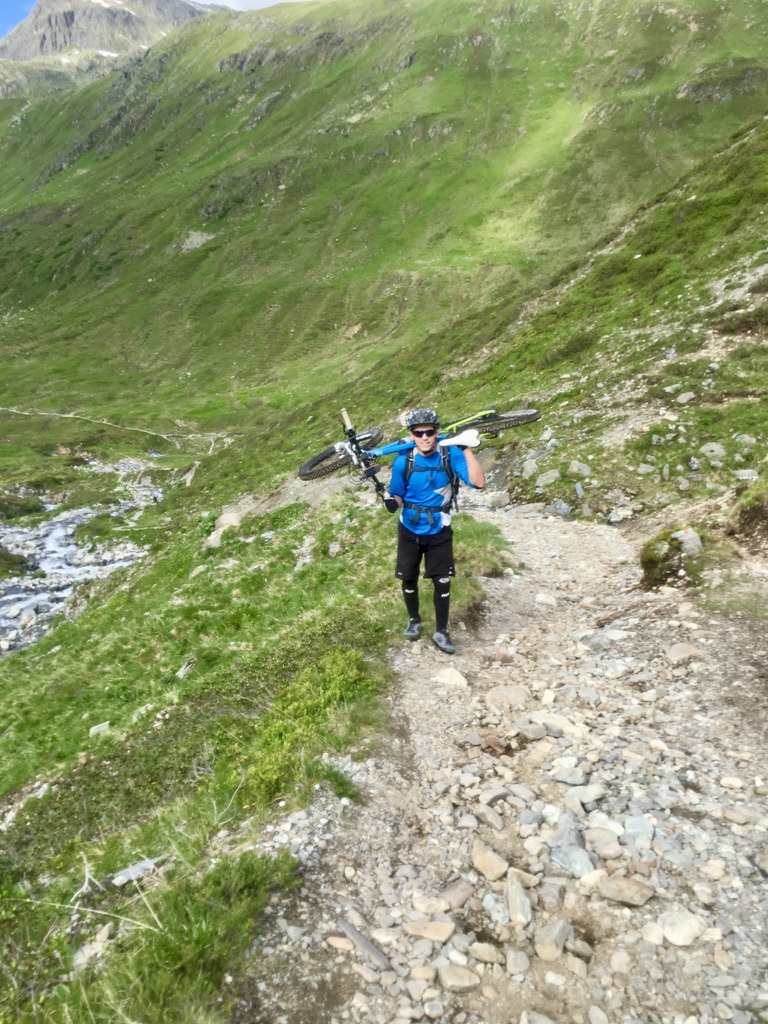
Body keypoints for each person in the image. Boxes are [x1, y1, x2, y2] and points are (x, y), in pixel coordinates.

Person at [383, 408, 485, 654]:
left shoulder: (450, 455)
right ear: (412, 435)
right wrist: (391, 502)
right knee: (408, 577)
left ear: (437, 433)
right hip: (409, 527)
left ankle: (441, 631)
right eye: (419, 433)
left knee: (442, 580)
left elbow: (479, 482)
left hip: (439, 528)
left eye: (430, 432)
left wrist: (466, 447)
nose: (424, 437)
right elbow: (397, 495)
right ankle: (414, 620)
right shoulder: (403, 461)